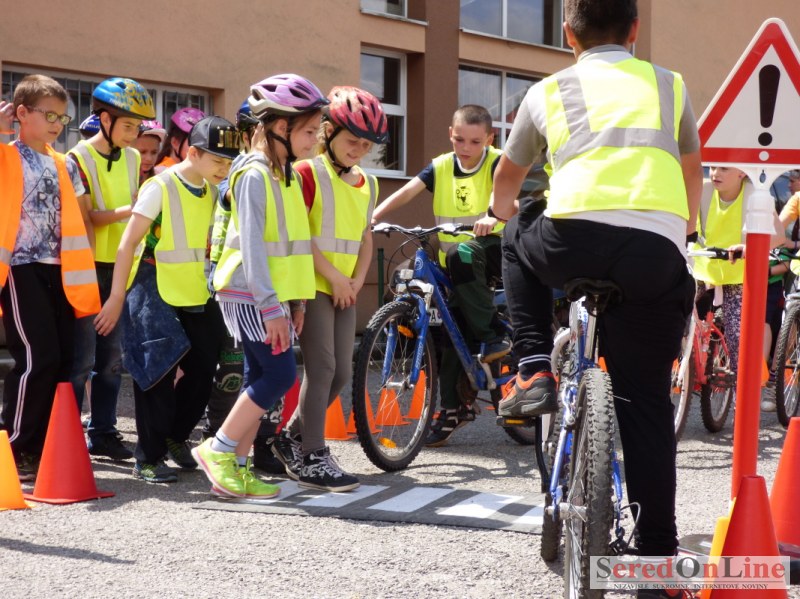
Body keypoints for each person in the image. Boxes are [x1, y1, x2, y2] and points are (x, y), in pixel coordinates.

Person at [490, 0, 702, 584]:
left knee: (515, 234)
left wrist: (501, 212)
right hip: (653, 254)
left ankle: (533, 368)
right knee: (647, 404)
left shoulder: (549, 90)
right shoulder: (670, 85)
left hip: (570, 240)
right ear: (635, 29)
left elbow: (508, 179)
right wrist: (683, 233)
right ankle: (657, 562)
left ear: (568, 34)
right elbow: (692, 172)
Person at [193, 74, 328, 499]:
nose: (316, 139)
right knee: (279, 374)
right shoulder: (253, 174)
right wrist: (272, 308)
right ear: (280, 127)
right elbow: (252, 246)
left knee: (259, 376)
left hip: (269, 294)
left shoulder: (284, 173)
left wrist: (297, 301)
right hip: (249, 292)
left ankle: (236, 470)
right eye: (309, 131)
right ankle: (218, 449)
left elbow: (292, 245)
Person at [94, 116, 236, 483]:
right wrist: (116, 297)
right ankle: (148, 457)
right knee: (156, 370)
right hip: (152, 284)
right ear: (194, 153)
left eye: (228, 162)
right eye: (218, 160)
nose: (224, 169)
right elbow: (128, 243)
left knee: (204, 368)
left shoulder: (211, 191)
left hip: (195, 289)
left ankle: (175, 435)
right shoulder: (160, 186)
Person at [372, 104, 509, 446]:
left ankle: (493, 335)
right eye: (459, 139)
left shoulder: (498, 162)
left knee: (463, 255)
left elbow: (511, 197)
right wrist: (373, 216)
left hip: (492, 251)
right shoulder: (442, 166)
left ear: (489, 139)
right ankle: (452, 409)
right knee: (447, 326)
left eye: (475, 141)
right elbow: (407, 191)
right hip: (456, 261)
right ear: (450, 134)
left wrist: (494, 214)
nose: (466, 147)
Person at [273, 86, 386, 492]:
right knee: (321, 368)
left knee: (340, 373)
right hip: (313, 285)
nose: (359, 150)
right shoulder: (307, 171)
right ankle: (313, 454)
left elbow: (365, 237)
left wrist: (356, 280)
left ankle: (290, 436)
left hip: (344, 288)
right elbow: (300, 234)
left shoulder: (369, 183)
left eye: (366, 145)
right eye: (352, 140)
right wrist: (335, 279)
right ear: (329, 131)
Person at [0, 77, 100, 480]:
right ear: (22, 113)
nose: (58, 124)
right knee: (36, 358)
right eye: (50, 115)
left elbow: (80, 218)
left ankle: (45, 446)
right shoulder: (5, 155)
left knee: (63, 362)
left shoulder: (65, 163)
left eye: (63, 117)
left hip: (62, 271)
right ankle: (15, 447)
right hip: (20, 269)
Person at [68, 77, 156, 462]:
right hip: (87, 268)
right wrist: (132, 210)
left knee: (111, 359)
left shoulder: (133, 158)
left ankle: (103, 432)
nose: (134, 134)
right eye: (128, 125)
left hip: (123, 267)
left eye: (138, 126)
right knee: (81, 359)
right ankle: (68, 435)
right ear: (104, 119)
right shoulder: (78, 157)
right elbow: (90, 216)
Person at [690, 167, 784, 397]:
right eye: (713, 167)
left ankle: (740, 399)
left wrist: (749, 247)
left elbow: (779, 235)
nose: (715, 173)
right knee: (677, 319)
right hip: (703, 268)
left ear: (742, 173)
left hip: (738, 275)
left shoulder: (756, 194)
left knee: (738, 338)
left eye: (724, 169)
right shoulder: (702, 189)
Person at [201, 100, 259, 449]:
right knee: (232, 366)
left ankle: (240, 439)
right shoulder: (240, 171)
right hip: (229, 281)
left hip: (250, 283)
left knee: (247, 368)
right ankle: (216, 434)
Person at [154, 107, 206, 171]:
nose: (201, 149)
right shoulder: (161, 172)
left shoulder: (192, 171)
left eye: (204, 143)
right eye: (194, 142)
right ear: (175, 142)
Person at [133, 120, 167, 185]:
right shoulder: (120, 178)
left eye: (154, 152)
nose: (149, 158)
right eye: (142, 152)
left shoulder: (164, 176)